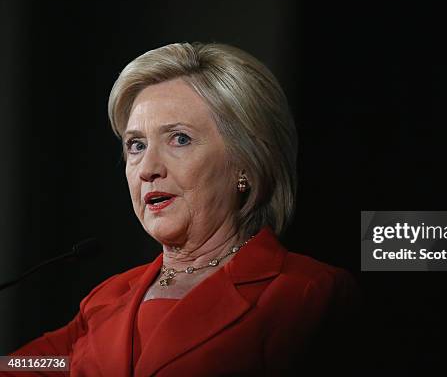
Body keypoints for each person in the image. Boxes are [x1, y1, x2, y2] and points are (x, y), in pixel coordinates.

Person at [7, 42, 360, 376]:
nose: (148, 168)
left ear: (245, 164)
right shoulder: (108, 298)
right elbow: (40, 365)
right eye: (136, 145)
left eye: (180, 139)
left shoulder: (307, 293)